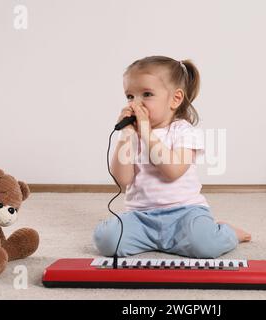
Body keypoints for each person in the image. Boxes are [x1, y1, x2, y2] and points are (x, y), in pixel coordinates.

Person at [94, 56, 250, 258]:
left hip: (184, 213)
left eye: (147, 94)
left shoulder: (184, 131)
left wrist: (146, 132)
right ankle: (161, 240)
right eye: (130, 96)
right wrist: (126, 135)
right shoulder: (131, 135)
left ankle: (227, 232)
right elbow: (122, 180)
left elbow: (173, 171)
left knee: (205, 245)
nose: (135, 104)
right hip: (141, 216)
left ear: (175, 99)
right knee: (107, 241)